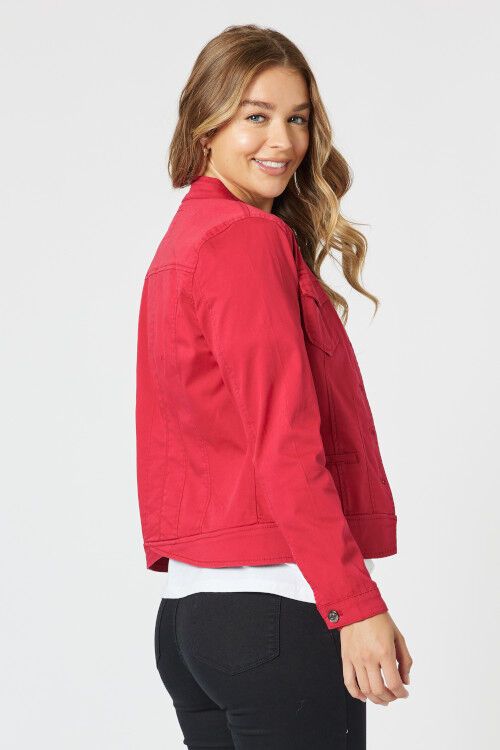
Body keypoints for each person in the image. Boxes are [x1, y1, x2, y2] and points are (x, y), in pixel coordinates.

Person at [135, 23, 413, 749]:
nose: (282, 142)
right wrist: (355, 603)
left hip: (192, 619)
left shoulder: (182, 245)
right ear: (206, 124)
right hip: (279, 613)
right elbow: (285, 443)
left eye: (298, 119)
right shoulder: (244, 239)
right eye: (255, 116)